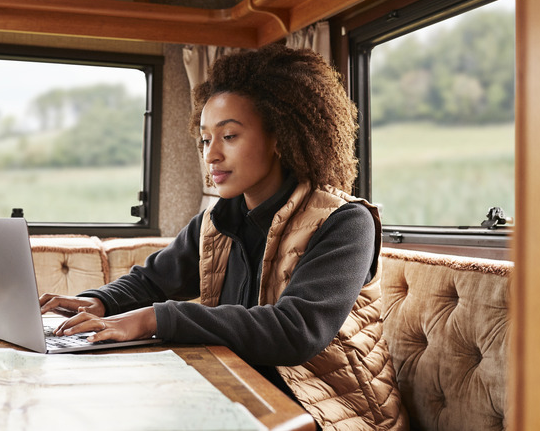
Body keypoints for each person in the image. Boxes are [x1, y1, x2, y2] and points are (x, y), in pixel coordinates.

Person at [40, 44, 406, 430]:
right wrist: (98, 301)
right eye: (205, 139)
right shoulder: (216, 220)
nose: (211, 155)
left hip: (334, 415)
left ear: (280, 137)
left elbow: (296, 331)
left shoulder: (346, 222)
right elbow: (152, 280)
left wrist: (154, 319)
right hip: (242, 395)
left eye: (229, 136)